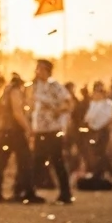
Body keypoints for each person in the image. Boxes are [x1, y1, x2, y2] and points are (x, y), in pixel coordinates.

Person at [28, 59, 73, 204]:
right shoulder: (34, 86)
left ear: (47, 70)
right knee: (37, 161)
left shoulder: (55, 86)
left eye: (40, 69)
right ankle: (30, 192)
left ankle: (65, 193)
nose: (37, 72)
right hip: (40, 129)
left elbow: (68, 103)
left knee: (57, 161)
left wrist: (56, 110)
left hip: (53, 130)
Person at [0, 72, 31, 203]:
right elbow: (17, 112)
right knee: (25, 162)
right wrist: (28, 128)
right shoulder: (15, 91)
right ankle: (22, 192)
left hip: (2, 132)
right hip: (15, 132)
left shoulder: (2, 94)